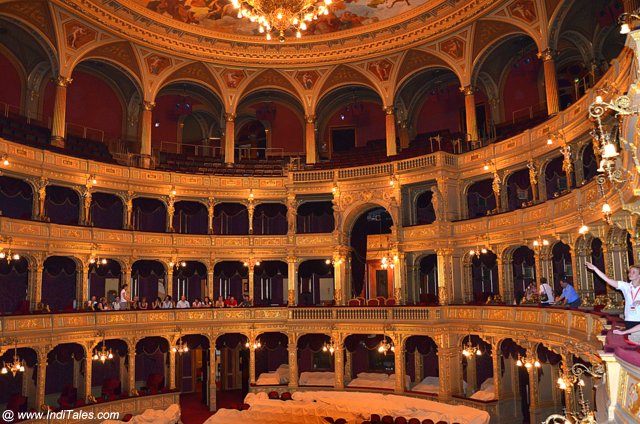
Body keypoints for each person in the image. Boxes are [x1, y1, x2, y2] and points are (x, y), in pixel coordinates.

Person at [586, 262, 640, 329]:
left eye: (633, 272)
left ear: (639, 275)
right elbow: (607, 280)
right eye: (629, 272)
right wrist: (595, 269)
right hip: (629, 319)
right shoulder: (626, 286)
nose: (630, 274)